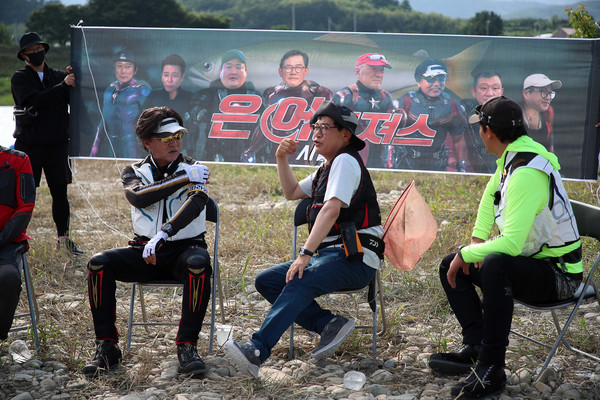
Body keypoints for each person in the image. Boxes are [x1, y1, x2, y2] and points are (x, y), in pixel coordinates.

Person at [428, 96, 582, 398]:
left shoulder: (525, 172)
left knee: (497, 264)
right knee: (451, 265)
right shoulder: (512, 158)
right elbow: (490, 198)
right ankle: (475, 346)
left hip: (559, 275)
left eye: (481, 128)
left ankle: (492, 369)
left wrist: (468, 253)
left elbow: (511, 243)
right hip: (535, 262)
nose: (479, 134)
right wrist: (474, 243)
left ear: (488, 132)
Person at [223, 101, 385, 378]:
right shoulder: (327, 166)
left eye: (325, 127)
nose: (316, 133)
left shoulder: (345, 160)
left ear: (346, 134)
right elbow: (292, 192)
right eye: (314, 127)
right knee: (268, 281)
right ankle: (328, 324)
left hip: (356, 259)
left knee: (299, 278)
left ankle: (257, 349)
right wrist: (281, 158)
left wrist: (304, 254)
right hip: (333, 256)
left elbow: (331, 209)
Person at [83, 107, 212, 378]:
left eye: (178, 136)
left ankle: (187, 346)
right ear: (147, 143)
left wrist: (164, 233)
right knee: (98, 264)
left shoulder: (195, 167)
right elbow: (139, 197)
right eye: (166, 138)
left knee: (199, 264)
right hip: (144, 250)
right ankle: (106, 346)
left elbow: (196, 203)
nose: (174, 142)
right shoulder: (134, 171)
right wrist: (183, 178)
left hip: (184, 250)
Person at [11, 32, 83, 254]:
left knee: (60, 193)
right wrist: (63, 86)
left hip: (57, 144)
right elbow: (35, 100)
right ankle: (14, 239)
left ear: (45, 49)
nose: (36, 53)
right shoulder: (19, 78)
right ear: (23, 55)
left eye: (38, 49)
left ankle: (64, 239)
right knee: (23, 195)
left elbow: (76, 100)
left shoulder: (60, 76)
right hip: (29, 146)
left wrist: (75, 79)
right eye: (31, 51)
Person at [242, 49, 332, 163]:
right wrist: (251, 150)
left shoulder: (319, 93)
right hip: (278, 155)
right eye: (288, 67)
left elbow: (327, 127)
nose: (293, 72)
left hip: (307, 154)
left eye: (298, 68)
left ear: (306, 71)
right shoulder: (272, 94)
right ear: (280, 71)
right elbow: (265, 126)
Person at [392, 59, 469, 172]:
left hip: (438, 165)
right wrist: (389, 162)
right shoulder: (405, 102)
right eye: (431, 79)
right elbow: (389, 136)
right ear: (418, 81)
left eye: (441, 78)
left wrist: (462, 167)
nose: (437, 84)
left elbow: (458, 139)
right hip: (407, 164)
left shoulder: (451, 105)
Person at [189, 49, 261, 161]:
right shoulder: (207, 96)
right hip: (213, 158)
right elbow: (191, 129)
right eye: (228, 67)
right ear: (221, 70)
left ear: (245, 71)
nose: (233, 71)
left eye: (238, 67)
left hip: (247, 160)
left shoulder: (257, 97)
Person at [332, 53, 395, 168]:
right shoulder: (345, 96)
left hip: (379, 162)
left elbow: (391, 132)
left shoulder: (386, 97)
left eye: (381, 70)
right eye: (373, 69)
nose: (379, 74)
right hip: (349, 159)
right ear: (357, 72)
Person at [0, 146, 35, 342]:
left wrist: (2, 238)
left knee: (8, 278)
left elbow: (26, 207)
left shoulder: (18, 160)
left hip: (7, 241)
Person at [90, 49, 151, 159]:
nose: (123, 71)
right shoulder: (110, 90)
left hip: (134, 146)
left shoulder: (143, 90)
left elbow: (151, 121)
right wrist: (94, 150)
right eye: (119, 66)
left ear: (135, 69)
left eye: (128, 66)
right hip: (113, 146)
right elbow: (104, 121)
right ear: (114, 68)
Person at [460, 70, 504, 173]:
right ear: (473, 92)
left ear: (501, 91)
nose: (490, 93)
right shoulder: (463, 110)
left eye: (495, 88)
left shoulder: (510, 115)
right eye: (484, 88)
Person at [143, 54, 193, 123]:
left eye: (174, 75)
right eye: (166, 75)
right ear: (161, 76)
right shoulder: (152, 97)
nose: (169, 80)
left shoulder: (191, 98)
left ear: (182, 77)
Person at [520, 73, 562, 152]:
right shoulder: (513, 113)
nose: (548, 97)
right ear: (526, 94)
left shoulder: (548, 112)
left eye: (550, 93)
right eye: (543, 92)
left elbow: (550, 147)